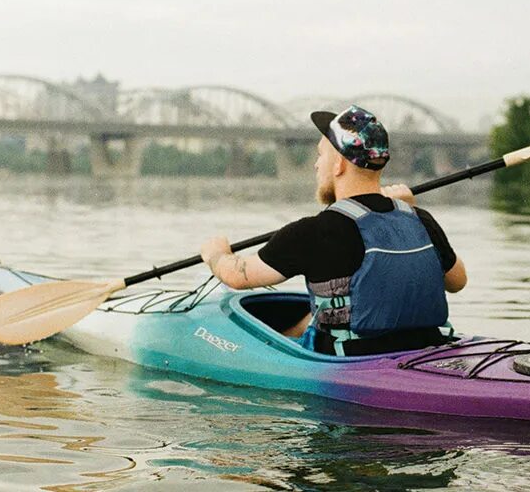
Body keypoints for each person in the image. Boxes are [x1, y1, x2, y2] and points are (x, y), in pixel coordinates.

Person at [200, 105, 467, 356]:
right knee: (316, 314)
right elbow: (457, 281)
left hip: (353, 365)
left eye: (320, 156)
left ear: (339, 164)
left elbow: (237, 276)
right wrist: (409, 212)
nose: (316, 165)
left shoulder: (313, 232)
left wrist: (216, 254)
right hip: (426, 351)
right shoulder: (419, 219)